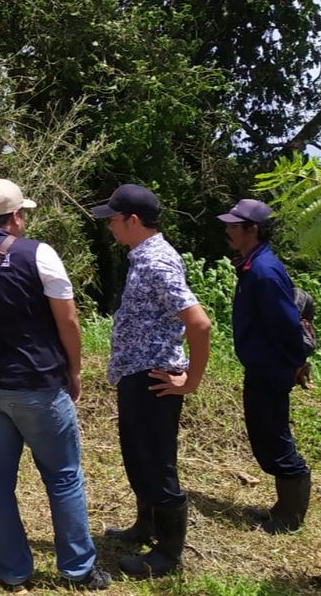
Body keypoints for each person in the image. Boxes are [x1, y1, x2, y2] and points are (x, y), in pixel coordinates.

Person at [0, 180, 111, 592]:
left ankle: (13, 572)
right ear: (15, 216)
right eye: (23, 214)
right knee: (64, 476)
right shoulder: (38, 254)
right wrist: (75, 370)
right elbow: (68, 320)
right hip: (38, 387)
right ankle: (78, 570)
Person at [92, 184, 211, 579]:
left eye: (113, 219)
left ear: (133, 220)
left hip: (153, 379)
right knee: (139, 458)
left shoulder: (156, 262)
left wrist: (190, 381)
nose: (109, 226)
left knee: (156, 464)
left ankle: (167, 555)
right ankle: (145, 527)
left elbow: (198, 322)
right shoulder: (142, 257)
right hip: (137, 373)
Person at [217, 198, 312, 533]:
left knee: (273, 434)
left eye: (233, 225)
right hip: (262, 365)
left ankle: (290, 516)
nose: (227, 230)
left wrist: (297, 362)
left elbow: (287, 325)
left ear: (252, 229)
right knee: (264, 432)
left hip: (271, 367)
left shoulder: (263, 270)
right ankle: (282, 507)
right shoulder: (252, 264)